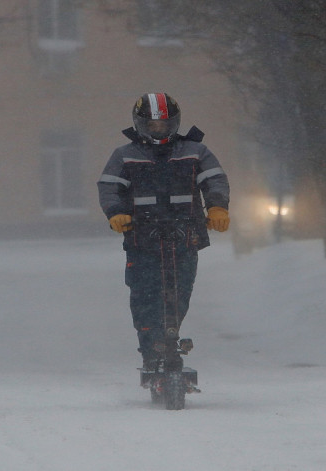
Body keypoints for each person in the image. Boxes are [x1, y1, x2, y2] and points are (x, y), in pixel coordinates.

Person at [97, 92, 230, 370]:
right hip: (142, 239)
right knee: (144, 295)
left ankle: (169, 338)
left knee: (179, 294)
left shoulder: (194, 151)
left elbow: (214, 179)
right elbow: (110, 187)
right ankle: (150, 349)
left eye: (165, 124)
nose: (159, 130)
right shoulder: (125, 155)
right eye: (153, 125)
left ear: (176, 123)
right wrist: (116, 213)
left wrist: (217, 207)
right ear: (140, 124)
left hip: (185, 236)